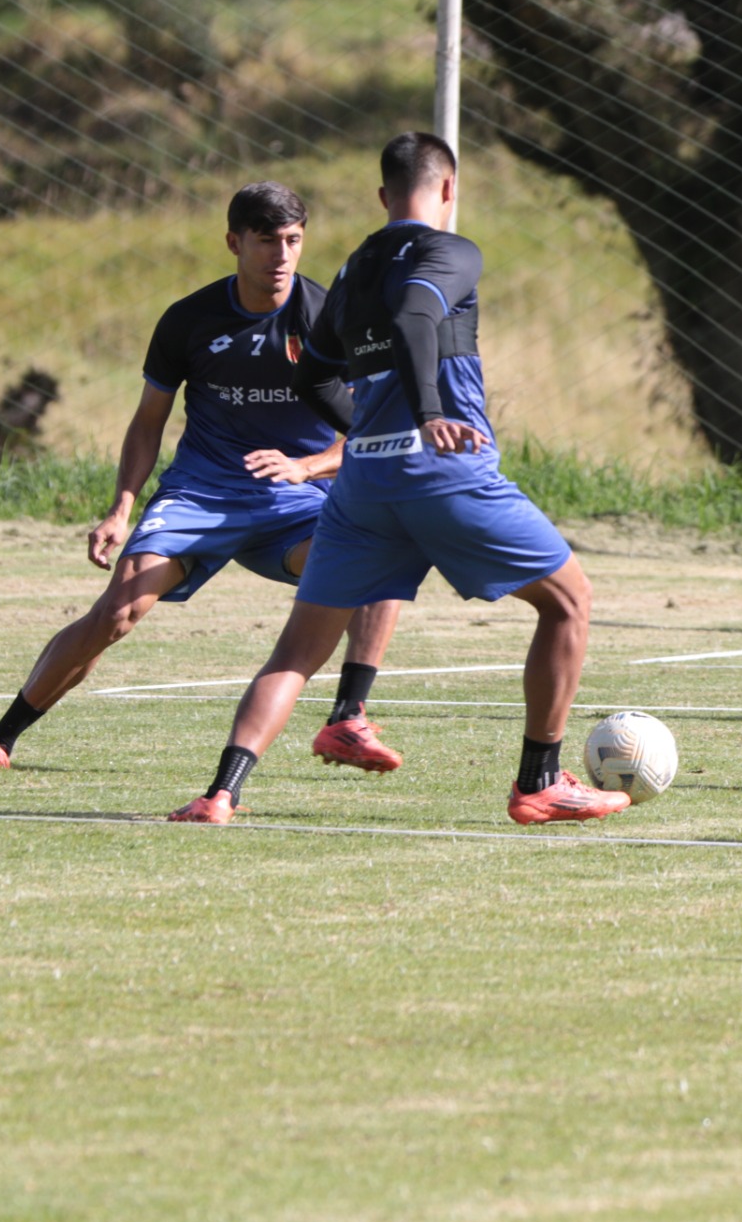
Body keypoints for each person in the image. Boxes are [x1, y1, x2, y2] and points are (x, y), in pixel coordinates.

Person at [168, 133, 626, 825]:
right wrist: (431, 413)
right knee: (569, 601)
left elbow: (312, 376)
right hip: (444, 469)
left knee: (297, 649)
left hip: (364, 486)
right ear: (449, 190)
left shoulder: (355, 267)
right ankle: (539, 781)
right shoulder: (453, 251)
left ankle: (221, 793)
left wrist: (370, 433)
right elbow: (417, 315)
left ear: (384, 197)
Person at [0, 185, 402, 778]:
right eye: (267, 241)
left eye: (293, 241)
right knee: (116, 612)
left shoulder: (329, 317)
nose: (281, 256)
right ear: (233, 243)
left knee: (378, 552)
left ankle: (348, 717)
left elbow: (376, 430)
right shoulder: (189, 319)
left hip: (297, 500)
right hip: (202, 493)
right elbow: (149, 423)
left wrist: (306, 467)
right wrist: (121, 507)